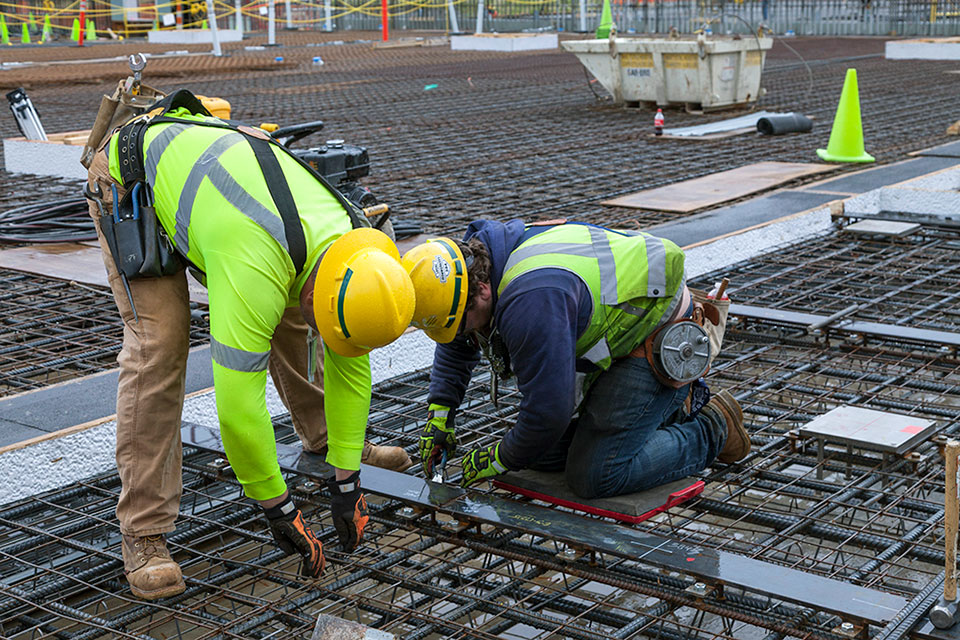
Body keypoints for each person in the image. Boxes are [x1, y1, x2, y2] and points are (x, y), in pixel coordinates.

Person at [84, 91, 415, 600]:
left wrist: (347, 477)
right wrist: (276, 505)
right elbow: (239, 410)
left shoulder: (356, 244)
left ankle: (326, 440)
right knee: (161, 345)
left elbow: (351, 360)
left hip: (235, 197)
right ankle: (143, 531)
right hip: (132, 181)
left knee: (293, 313)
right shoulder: (253, 264)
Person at [403, 219, 751, 498]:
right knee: (536, 455)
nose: (463, 334)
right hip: (610, 326)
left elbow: (548, 413)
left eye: (463, 323)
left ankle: (712, 426)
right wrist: (440, 414)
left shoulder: (531, 303)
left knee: (596, 476)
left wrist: (498, 458)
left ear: (481, 290)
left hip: (652, 334)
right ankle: (650, 419)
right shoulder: (472, 263)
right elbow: (456, 338)